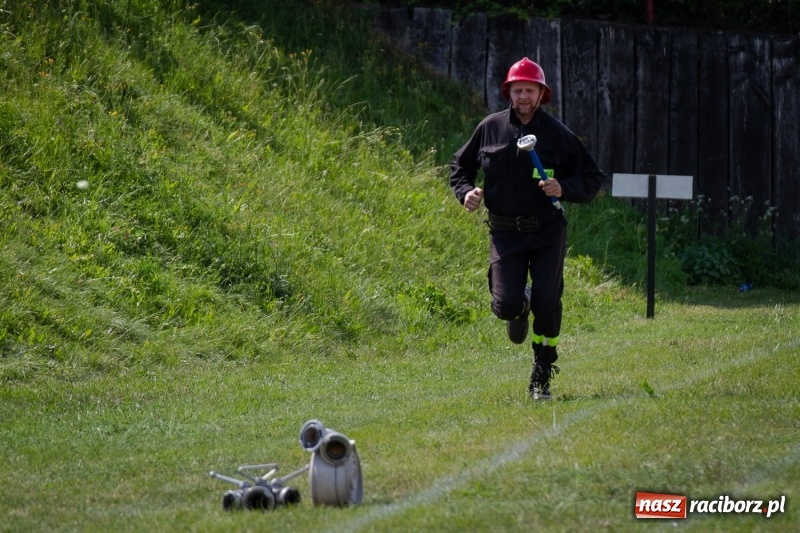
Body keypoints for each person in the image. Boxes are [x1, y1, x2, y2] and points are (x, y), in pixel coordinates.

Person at [450, 57, 605, 400]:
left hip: (547, 231)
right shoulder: (490, 128)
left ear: (541, 94)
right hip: (505, 233)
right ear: (509, 92)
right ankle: (521, 303)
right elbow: (460, 166)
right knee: (505, 305)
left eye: (529, 91)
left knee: (548, 303)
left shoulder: (558, 135)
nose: (523, 97)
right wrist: (466, 192)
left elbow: (593, 178)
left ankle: (541, 374)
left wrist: (564, 188)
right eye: (517, 90)